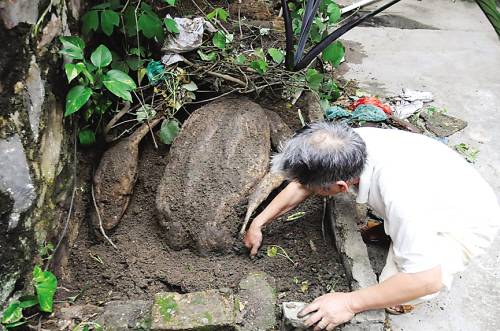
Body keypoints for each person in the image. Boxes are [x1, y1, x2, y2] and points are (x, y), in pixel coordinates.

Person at [243, 122, 500, 331]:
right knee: (404, 228)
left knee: (401, 287)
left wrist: (350, 303)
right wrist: (259, 222)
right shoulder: (345, 144)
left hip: (464, 224)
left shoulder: (401, 196)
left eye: (315, 188)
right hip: (440, 190)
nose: (304, 188)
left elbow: (426, 279)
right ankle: (396, 233)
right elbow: (302, 184)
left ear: (341, 187)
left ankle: (409, 282)